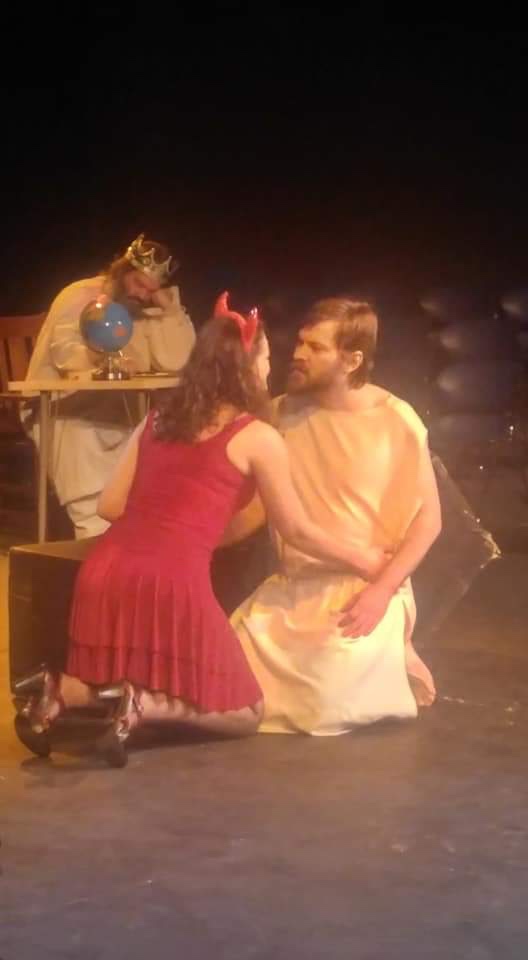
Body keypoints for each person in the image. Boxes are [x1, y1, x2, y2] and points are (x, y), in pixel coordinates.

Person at [13, 293, 390, 767]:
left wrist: (176, 511)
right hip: (172, 581)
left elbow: (110, 506)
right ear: (247, 369)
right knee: (245, 712)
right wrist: (363, 558)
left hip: (104, 571)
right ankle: (140, 705)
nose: (270, 368)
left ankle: (55, 692)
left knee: (119, 673)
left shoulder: (158, 419)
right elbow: (296, 529)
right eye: (265, 358)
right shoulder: (258, 437)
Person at [229, 297, 442, 735]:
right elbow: (258, 510)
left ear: (352, 359)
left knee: (325, 702)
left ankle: (396, 651)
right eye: (300, 342)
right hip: (292, 591)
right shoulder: (280, 414)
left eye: (316, 347)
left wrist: (382, 591)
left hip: (362, 589)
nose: (299, 354)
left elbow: (429, 521)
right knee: (228, 685)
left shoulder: (395, 419)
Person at [22, 234, 196, 538]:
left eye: (150, 290)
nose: (141, 294)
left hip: (117, 410)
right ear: (122, 271)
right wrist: (102, 356)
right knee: (95, 507)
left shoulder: (143, 309)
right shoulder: (81, 295)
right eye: (138, 283)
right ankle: (95, 546)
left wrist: (168, 311)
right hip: (63, 407)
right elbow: (65, 354)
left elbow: (178, 360)